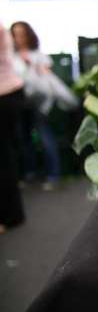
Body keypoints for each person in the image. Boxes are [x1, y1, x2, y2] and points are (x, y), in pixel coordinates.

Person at [11, 21, 78, 190]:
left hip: (39, 103)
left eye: (22, 34)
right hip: (19, 103)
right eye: (15, 34)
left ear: (28, 35)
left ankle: (53, 175)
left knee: (46, 136)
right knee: (24, 140)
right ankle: (30, 174)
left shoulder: (38, 55)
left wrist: (33, 67)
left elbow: (47, 74)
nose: (19, 38)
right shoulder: (11, 57)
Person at [0, 21, 25, 233]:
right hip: (11, 92)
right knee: (7, 156)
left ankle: (10, 216)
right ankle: (12, 214)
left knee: (3, 159)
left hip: (4, 95)